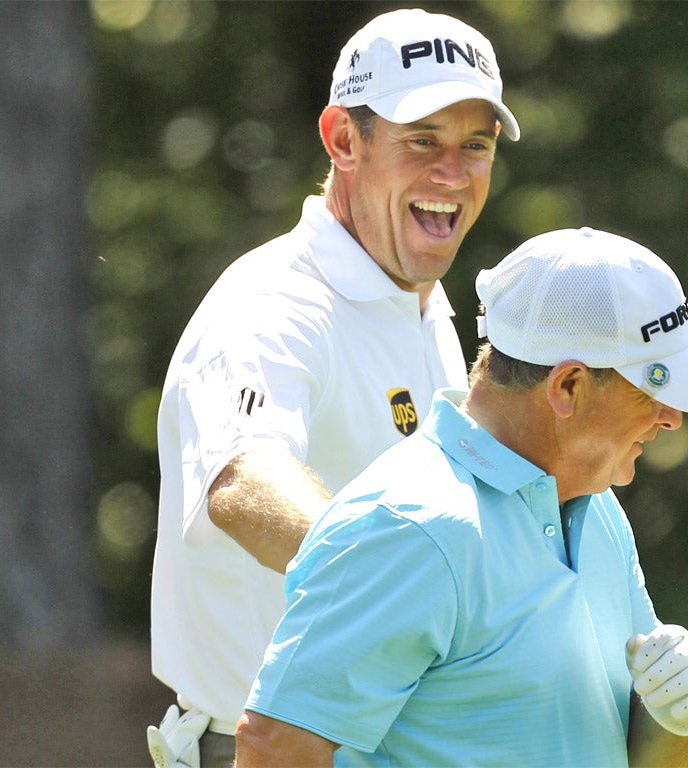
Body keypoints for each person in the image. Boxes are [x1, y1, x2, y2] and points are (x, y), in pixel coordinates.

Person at [147, 7, 521, 768]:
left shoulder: (425, 309)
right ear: (344, 141)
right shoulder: (272, 305)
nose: (452, 173)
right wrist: (405, 579)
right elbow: (243, 481)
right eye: (422, 141)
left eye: (474, 145)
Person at [235, 227, 688, 767]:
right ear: (568, 387)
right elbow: (274, 745)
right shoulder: (407, 526)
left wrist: (681, 721)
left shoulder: (596, 508)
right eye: (653, 389)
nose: (671, 418)